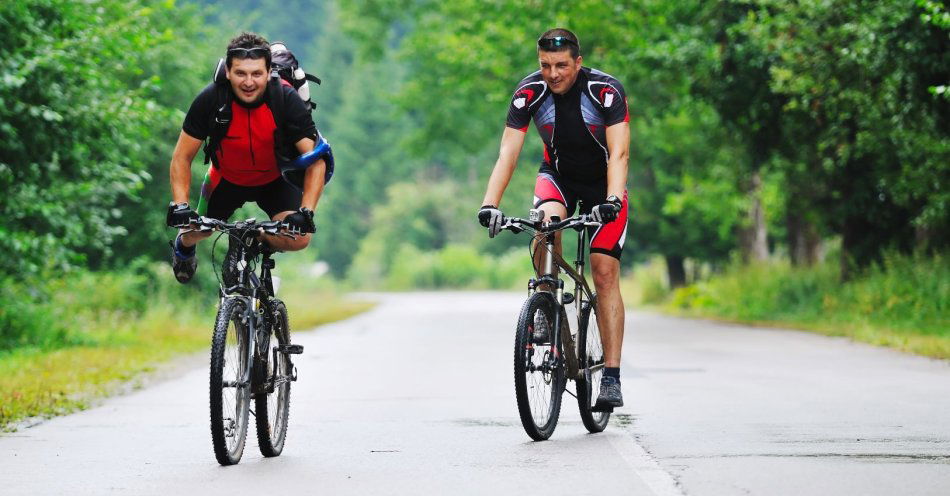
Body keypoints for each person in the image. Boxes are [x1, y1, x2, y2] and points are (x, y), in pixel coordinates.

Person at [477, 28, 630, 411]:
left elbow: (620, 154)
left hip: (603, 183)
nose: (553, 73)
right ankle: (544, 302)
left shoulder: (605, 91)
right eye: (545, 65)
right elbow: (507, 154)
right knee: (543, 226)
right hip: (558, 176)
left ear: (578, 62)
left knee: (604, 270)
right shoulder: (529, 92)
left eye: (562, 65)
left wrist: (612, 199)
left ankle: (610, 375)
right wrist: (489, 203)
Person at [166, 32, 331, 283]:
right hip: (225, 179)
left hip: (275, 180)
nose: (248, 82)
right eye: (241, 73)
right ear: (228, 73)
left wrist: (306, 212)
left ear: (268, 72)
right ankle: (184, 249)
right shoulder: (212, 99)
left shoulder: (285, 100)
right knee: (194, 231)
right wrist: (179, 205)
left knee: (300, 239)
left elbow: (316, 160)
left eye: (256, 73)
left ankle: (255, 239)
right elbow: (181, 157)